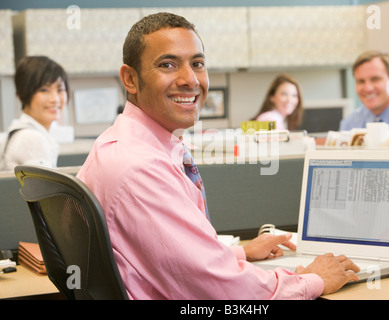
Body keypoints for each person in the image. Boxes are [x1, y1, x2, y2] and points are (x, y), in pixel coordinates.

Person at [76, 12, 359, 300]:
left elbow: (169, 257)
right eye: (168, 64)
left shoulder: (122, 143)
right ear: (130, 79)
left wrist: (240, 252)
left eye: (197, 64)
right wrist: (313, 280)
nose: (190, 80)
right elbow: (224, 291)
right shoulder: (141, 167)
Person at [0, 56, 69, 171]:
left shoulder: (22, 132)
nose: (55, 99)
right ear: (22, 95)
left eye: (60, 90)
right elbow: (44, 188)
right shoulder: (32, 138)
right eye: (44, 90)